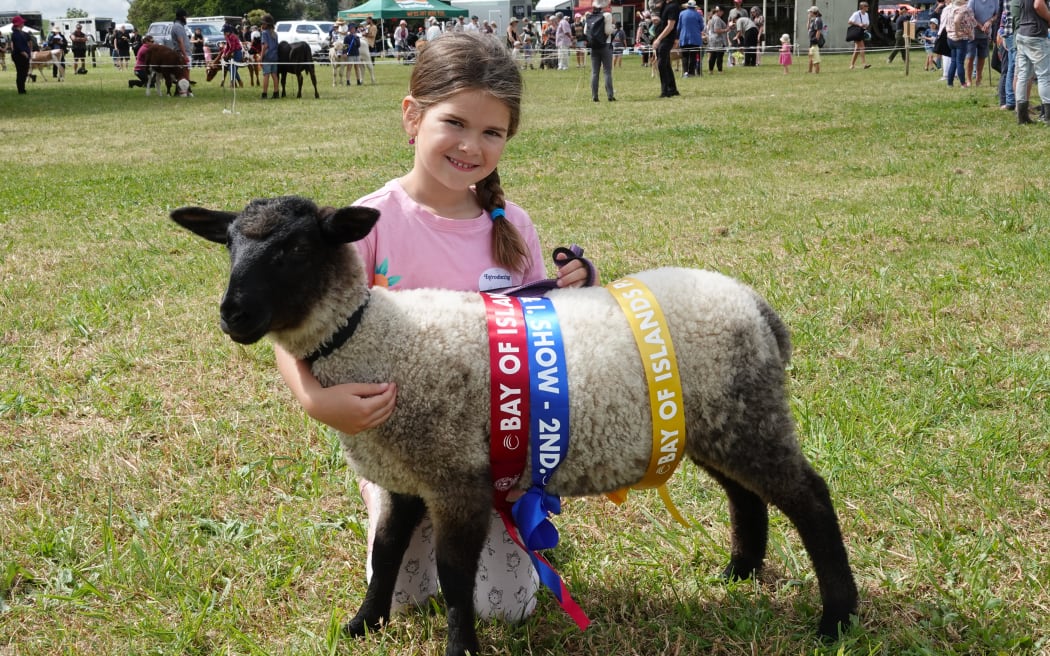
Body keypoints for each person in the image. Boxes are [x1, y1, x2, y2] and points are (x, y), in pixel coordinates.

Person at [274, 30, 592, 625]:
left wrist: (573, 291)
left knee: (506, 606)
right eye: (456, 123)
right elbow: (298, 330)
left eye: (492, 132)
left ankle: (512, 519)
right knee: (403, 595)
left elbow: (539, 336)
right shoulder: (365, 224)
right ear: (412, 117)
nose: (473, 146)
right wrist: (316, 399)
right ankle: (388, 509)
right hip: (404, 448)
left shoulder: (512, 225)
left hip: (495, 448)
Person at [1014, 0, 1050, 123]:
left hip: (1023, 33)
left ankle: (1022, 116)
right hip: (1036, 35)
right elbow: (1038, 4)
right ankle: (1048, 116)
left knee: (1023, 75)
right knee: (1044, 76)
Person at [585, 0, 616, 102]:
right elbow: (607, 31)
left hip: (594, 46)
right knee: (607, 71)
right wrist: (613, 27)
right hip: (605, 45)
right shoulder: (607, 15)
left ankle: (594, 96)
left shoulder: (589, 15)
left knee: (594, 72)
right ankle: (610, 95)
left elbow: (586, 31)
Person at [651, 0, 681, 97]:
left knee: (661, 64)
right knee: (666, 63)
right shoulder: (666, 5)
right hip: (661, 36)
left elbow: (670, 26)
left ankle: (665, 91)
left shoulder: (673, 6)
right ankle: (672, 89)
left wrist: (658, 39)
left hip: (667, 38)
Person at [967, 0, 999, 87]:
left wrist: (990, 21)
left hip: (986, 33)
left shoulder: (995, 1)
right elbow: (970, 15)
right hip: (972, 33)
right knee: (970, 57)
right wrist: (981, 27)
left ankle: (978, 80)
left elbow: (997, 14)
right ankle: (969, 80)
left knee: (982, 57)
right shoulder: (972, 1)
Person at [945, 0, 976, 86]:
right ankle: (963, 83)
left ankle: (950, 83)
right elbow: (956, 21)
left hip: (950, 38)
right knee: (960, 62)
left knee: (953, 61)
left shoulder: (950, 8)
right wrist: (958, 32)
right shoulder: (964, 9)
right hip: (961, 38)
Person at [677, 0, 705, 78]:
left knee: (685, 56)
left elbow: (678, 27)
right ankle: (691, 72)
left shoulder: (682, 14)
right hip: (695, 38)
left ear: (687, 6)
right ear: (694, 7)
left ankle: (685, 72)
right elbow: (702, 27)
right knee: (693, 56)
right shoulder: (698, 15)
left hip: (684, 37)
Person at [171, 9, 192, 95]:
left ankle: (179, 91)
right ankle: (186, 91)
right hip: (183, 53)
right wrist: (185, 55)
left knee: (183, 73)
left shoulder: (179, 26)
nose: (186, 18)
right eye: (185, 16)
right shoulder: (178, 27)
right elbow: (180, 41)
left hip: (184, 52)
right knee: (185, 73)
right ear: (182, 17)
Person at [9, 16, 32, 94]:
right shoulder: (15, 34)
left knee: (24, 72)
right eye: (22, 22)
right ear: (19, 24)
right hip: (19, 55)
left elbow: (28, 43)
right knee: (21, 72)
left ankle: (22, 88)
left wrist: (29, 52)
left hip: (25, 55)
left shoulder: (23, 33)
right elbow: (18, 45)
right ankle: (21, 90)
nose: (23, 23)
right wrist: (24, 53)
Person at [218, 23, 244, 88]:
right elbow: (227, 46)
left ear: (228, 31)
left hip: (237, 53)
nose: (224, 33)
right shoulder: (227, 37)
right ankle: (239, 81)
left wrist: (227, 54)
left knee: (232, 67)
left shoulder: (233, 36)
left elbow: (232, 47)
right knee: (231, 68)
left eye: (224, 31)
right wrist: (224, 53)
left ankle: (232, 83)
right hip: (232, 53)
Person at [259, 14, 279, 99]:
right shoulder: (275, 33)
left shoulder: (264, 33)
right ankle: (276, 93)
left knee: (266, 75)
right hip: (274, 56)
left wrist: (261, 57)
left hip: (267, 56)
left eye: (263, 23)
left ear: (266, 24)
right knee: (274, 75)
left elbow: (265, 46)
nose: (261, 25)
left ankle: (264, 94)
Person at [848, 1, 872, 69]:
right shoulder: (856, 14)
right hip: (856, 32)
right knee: (862, 47)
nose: (868, 7)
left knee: (857, 49)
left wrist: (865, 25)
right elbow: (849, 22)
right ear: (862, 7)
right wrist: (858, 24)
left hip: (862, 31)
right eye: (866, 6)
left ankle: (852, 65)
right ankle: (864, 64)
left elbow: (867, 23)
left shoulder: (866, 14)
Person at [707, 5, 729, 73]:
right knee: (719, 56)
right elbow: (717, 30)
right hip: (718, 40)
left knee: (713, 56)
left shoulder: (712, 18)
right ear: (721, 11)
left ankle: (711, 70)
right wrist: (726, 29)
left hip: (713, 39)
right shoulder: (717, 19)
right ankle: (720, 70)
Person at [807, 6, 824, 73]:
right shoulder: (813, 19)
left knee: (815, 57)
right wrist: (808, 19)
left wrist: (815, 40)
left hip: (814, 41)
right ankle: (810, 70)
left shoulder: (818, 20)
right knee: (810, 56)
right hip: (811, 40)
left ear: (813, 12)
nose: (809, 13)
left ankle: (816, 72)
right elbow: (808, 28)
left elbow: (818, 31)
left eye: (810, 12)